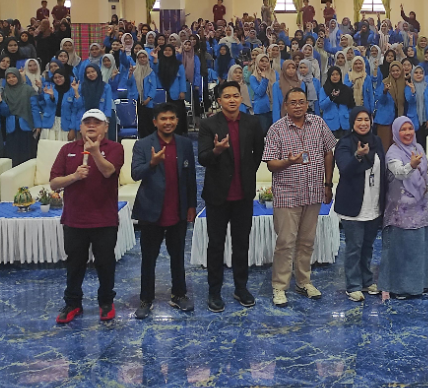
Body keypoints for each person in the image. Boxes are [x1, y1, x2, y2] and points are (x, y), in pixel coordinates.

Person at [263, 87, 337, 307]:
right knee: (285, 242)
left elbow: (329, 152)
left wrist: (328, 184)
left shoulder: (319, 124)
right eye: (293, 102)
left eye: (301, 102)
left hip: (313, 192)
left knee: (307, 241)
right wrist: (288, 162)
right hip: (287, 194)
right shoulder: (276, 129)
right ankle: (279, 286)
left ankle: (304, 282)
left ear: (307, 104)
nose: (298, 106)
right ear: (286, 105)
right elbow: (270, 163)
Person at [49, 109, 125, 324]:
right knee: (74, 264)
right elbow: (54, 183)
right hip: (74, 219)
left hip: (104, 219)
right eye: (87, 122)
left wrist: (95, 152)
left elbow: (109, 171)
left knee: (105, 263)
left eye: (97, 122)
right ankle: (73, 303)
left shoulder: (115, 148)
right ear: (80, 127)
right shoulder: (67, 149)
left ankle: (106, 302)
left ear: (106, 127)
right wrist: (74, 176)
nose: (91, 125)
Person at [197, 81, 265, 312]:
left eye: (236, 95)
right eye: (227, 96)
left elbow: (258, 153)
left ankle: (241, 287)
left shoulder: (252, 122)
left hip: (243, 195)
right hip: (217, 195)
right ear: (219, 101)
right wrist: (216, 151)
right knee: (216, 245)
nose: (232, 100)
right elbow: (203, 158)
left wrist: (247, 173)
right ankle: (214, 291)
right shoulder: (208, 124)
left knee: (241, 244)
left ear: (241, 98)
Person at [130, 103, 198, 319]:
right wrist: (152, 163)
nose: (168, 122)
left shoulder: (185, 144)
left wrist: (191, 205)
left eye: (171, 118)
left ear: (177, 121)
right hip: (151, 211)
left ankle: (179, 294)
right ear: (155, 122)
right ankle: (146, 299)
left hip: (178, 210)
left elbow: (190, 177)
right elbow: (135, 173)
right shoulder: (142, 145)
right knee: (148, 259)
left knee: (178, 256)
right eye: (163, 119)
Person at [334, 107, 387, 302]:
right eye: (359, 120)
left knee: (368, 246)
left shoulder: (377, 141)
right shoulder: (345, 143)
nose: (363, 123)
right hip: (353, 205)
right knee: (354, 247)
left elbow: (383, 169)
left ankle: (366, 280)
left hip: (374, 203)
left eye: (366, 119)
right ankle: (353, 285)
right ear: (352, 122)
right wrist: (357, 155)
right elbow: (345, 170)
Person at [378, 115, 428, 299]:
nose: (407, 132)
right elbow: (400, 173)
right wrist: (411, 165)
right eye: (403, 129)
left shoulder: (418, 148)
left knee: (418, 249)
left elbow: (425, 176)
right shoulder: (392, 153)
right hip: (400, 212)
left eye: (410, 128)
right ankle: (400, 288)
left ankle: (420, 284)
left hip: (420, 208)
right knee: (402, 251)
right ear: (396, 132)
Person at [0, 69, 38, 167]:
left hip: (26, 125)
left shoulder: (28, 89)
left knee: (27, 153)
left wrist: (37, 125)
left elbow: (34, 108)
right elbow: (5, 113)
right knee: (12, 154)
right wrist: (0, 103)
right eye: (8, 77)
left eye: (14, 76)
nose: (11, 79)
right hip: (11, 127)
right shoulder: (5, 91)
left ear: (18, 77)